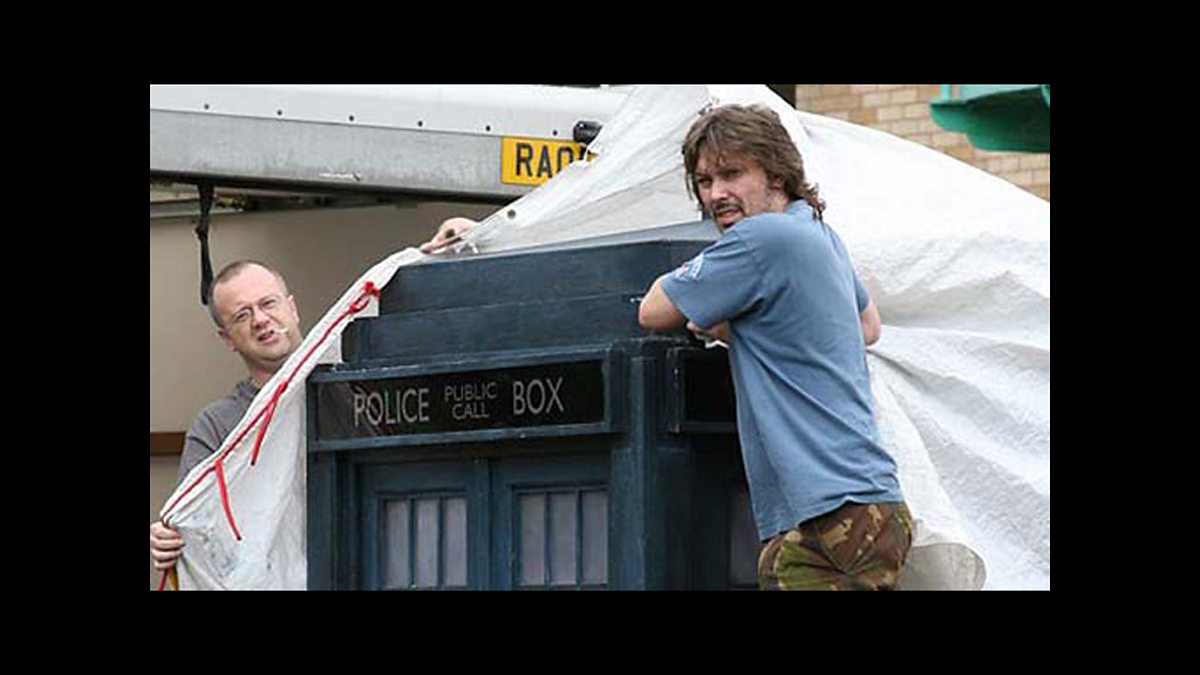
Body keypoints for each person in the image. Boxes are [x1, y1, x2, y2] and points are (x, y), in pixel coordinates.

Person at [638, 104, 910, 590]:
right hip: (866, 506)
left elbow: (654, 309)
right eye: (704, 182)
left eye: (732, 174)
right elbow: (867, 326)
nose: (716, 194)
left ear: (777, 174)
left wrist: (718, 312)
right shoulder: (819, 234)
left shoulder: (760, 238)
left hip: (830, 515)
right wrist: (753, 328)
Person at [150, 260, 304, 574]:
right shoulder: (215, 426)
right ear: (227, 339)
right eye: (242, 315)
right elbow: (191, 522)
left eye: (268, 303)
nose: (260, 320)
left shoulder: (353, 393)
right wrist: (166, 538)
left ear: (292, 308)